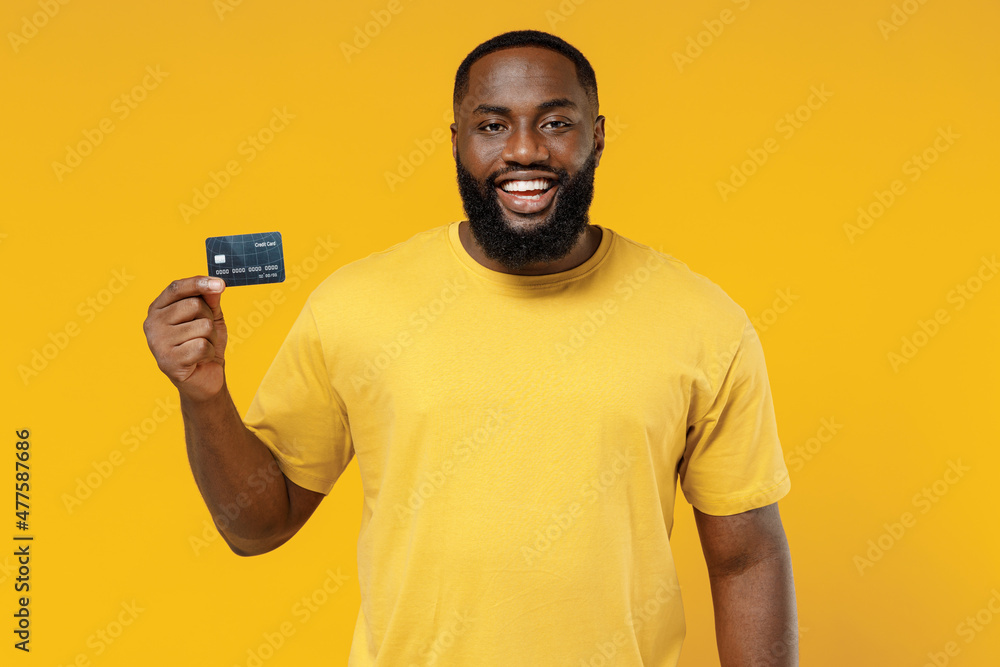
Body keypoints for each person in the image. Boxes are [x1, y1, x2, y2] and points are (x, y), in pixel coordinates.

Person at [143, 29, 798, 667]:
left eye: (555, 123)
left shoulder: (703, 320)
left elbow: (746, 558)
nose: (524, 150)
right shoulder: (354, 305)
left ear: (597, 136)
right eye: (492, 125)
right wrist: (204, 395)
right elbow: (257, 525)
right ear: (456, 141)